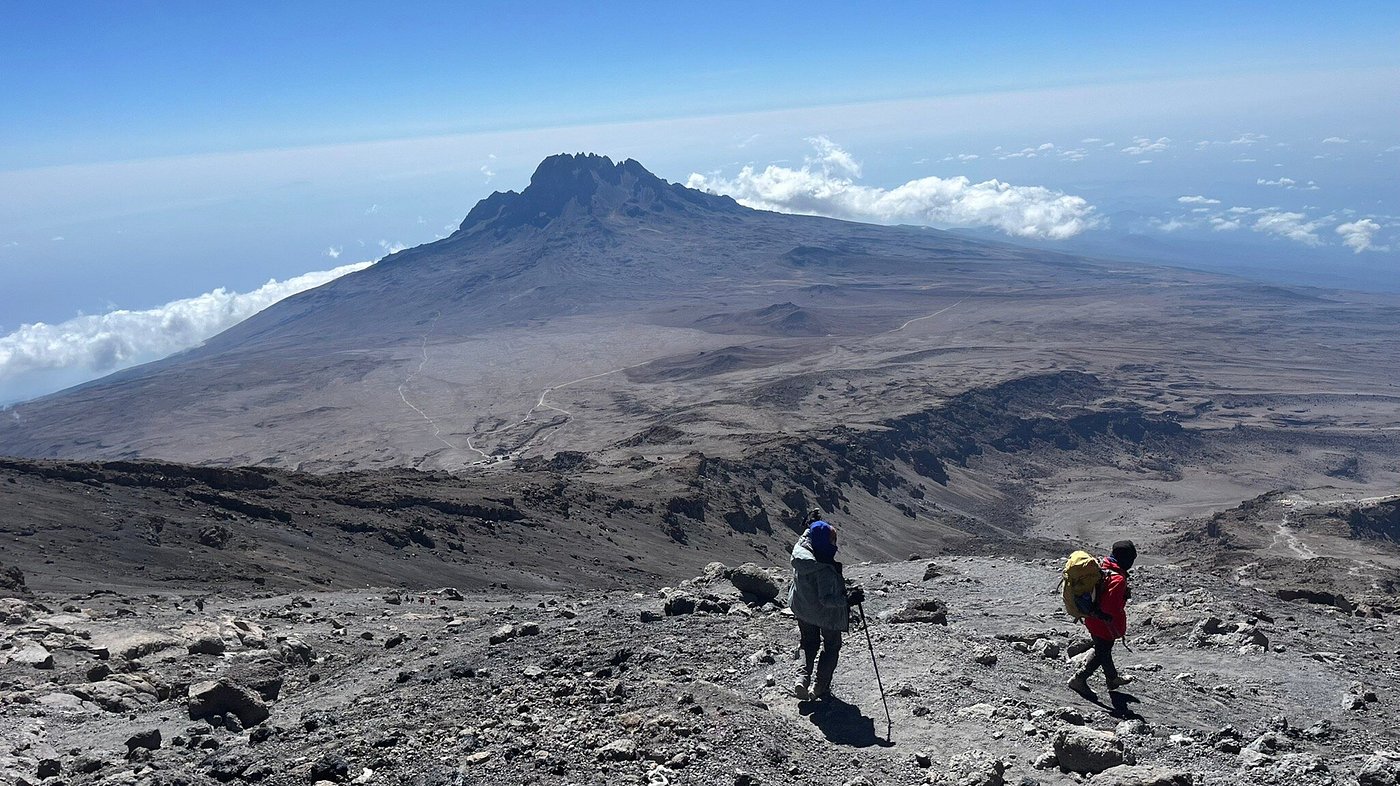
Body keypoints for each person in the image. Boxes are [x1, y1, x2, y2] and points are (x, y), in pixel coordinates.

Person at [789, 509, 863, 700]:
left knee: (808, 642)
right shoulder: (823, 570)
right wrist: (847, 600)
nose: (834, 544)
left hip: (803, 608)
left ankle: (801, 680)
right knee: (831, 646)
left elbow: (811, 534)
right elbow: (827, 601)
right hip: (825, 614)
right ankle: (819, 687)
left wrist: (813, 523)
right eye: (832, 541)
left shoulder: (801, 552)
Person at [1068, 540, 1137, 694]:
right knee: (1102, 652)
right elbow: (1109, 607)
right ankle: (1079, 679)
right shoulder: (1118, 579)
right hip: (1104, 624)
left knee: (1104, 649)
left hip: (1092, 618)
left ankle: (1112, 679)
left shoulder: (1103, 565)